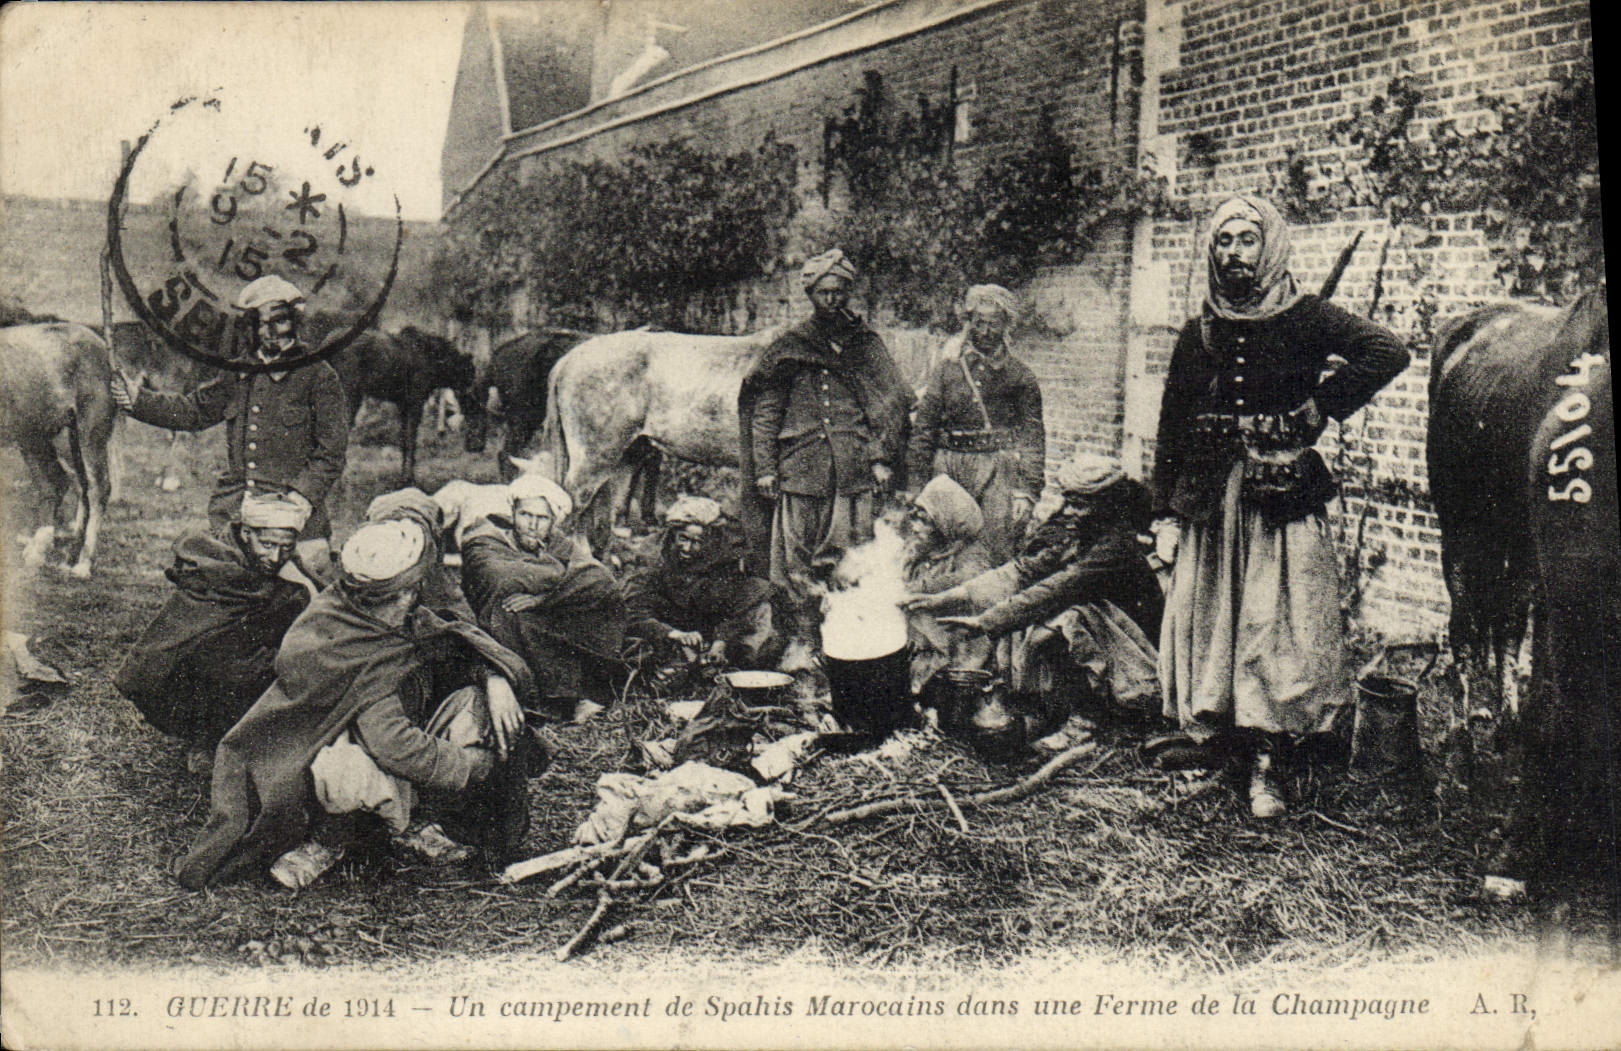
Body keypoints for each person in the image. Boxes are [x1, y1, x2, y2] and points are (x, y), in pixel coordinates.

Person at [1152, 194, 1409, 818]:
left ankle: (1269, 756)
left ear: (1268, 246)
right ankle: (1219, 743)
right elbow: (1173, 423)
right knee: (1216, 614)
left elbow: (1389, 351)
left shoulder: (1308, 316)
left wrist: (1321, 405)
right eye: (1224, 241)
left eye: (1246, 240)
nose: (1235, 253)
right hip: (1214, 499)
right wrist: (1164, 512)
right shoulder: (1201, 329)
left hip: (1279, 495)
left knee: (1274, 621)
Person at [174, 518, 539, 890]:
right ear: (368, 596)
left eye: (412, 591)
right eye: (399, 594)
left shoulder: (397, 618)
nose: (410, 601)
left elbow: (456, 642)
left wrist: (493, 678)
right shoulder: (329, 635)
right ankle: (331, 837)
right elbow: (393, 744)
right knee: (343, 768)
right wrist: (470, 766)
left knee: (476, 706)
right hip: (326, 764)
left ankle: (423, 819)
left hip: (401, 743)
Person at [109, 275, 348, 584]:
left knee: (308, 594)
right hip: (234, 515)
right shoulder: (239, 373)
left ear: (295, 323)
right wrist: (138, 400)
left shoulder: (318, 375)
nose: (271, 331)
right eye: (262, 324)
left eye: (280, 321)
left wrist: (299, 502)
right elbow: (194, 410)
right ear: (251, 328)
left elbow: (331, 453)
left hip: (297, 521)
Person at [908, 454, 1163, 734]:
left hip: (1134, 647)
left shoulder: (1115, 547)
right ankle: (1053, 706)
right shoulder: (1082, 533)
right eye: (1068, 502)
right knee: (1029, 611)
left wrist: (987, 621)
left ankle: (1084, 720)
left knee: (1063, 621)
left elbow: (1054, 591)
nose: (1068, 511)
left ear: (1108, 505)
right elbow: (1020, 571)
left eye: (1078, 505)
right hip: (1107, 636)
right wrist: (944, 598)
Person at [738, 249, 913, 657]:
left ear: (848, 293)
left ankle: (846, 636)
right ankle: (801, 638)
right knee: (796, 561)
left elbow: (889, 405)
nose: (832, 300)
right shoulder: (790, 346)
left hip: (852, 471)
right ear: (811, 294)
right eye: (823, 292)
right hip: (801, 468)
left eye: (839, 292)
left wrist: (881, 455)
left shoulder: (865, 343)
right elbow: (766, 411)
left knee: (852, 556)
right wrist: (765, 468)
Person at [114, 491, 314, 773]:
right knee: (226, 665)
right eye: (267, 544)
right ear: (246, 533)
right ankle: (206, 738)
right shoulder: (214, 566)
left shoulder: (287, 571)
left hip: (248, 658)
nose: (275, 556)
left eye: (285, 548)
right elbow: (188, 634)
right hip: (207, 669)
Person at [460, 474, 628, 716]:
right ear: (513, 514)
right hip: (494, 630)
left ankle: (574, 693)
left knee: (599, 601)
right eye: (525, 515)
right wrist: (560, 575)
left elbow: (600, 579)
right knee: (511, 615)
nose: (532, 525)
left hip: (540, 616)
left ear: (553, 523)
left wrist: (543, 599)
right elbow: (501, 577)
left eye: (542, 518)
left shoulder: (556, 543)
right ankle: (532, 696)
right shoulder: (485, 540)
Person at [905, 284, 1046, 562]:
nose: (984, 331)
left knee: (996, 547)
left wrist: (1026, 492)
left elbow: (1033, 438)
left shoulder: (1021, 377)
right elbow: (924, 428)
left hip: (996, 470)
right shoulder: (947, 369)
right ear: (968, 323)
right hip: (947, 467)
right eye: (978, 322)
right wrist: (916, 482)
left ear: (1007, 326)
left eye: (993, 324)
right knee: (938, 547)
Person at [624, 496, 781, 691]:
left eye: (697, 542)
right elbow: (635, 610)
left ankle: (732, 666)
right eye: (683, 539)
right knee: (640, 649)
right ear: (673, 534)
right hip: (667, 628)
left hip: (705, 627)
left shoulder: (721, 557)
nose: (688, 548)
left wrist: (721, 641)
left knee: (760, 609)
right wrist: (673, 634)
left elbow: (734, 603)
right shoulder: (652, 557)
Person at [900, 474, 997, 698]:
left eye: (924, 521)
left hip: (955, 648)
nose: (915, 527)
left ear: (944, 523)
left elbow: (970, 578)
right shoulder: (921, 547)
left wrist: (921, 588)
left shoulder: (972, 553)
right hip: (920, 642)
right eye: (915, 517)